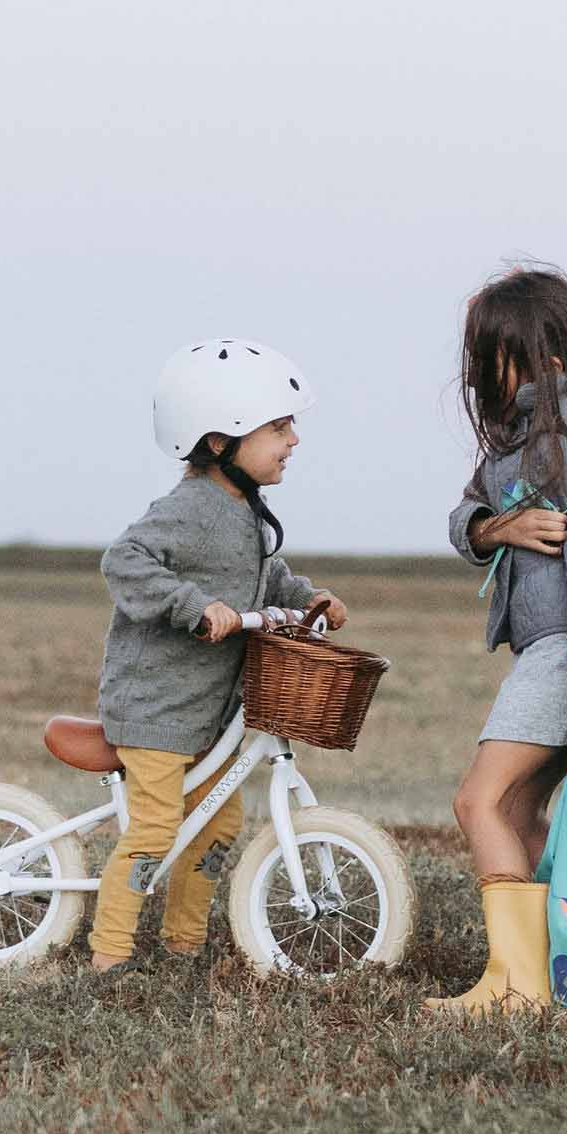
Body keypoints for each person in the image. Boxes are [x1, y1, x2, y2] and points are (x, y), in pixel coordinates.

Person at [427, 267, 567, 1013]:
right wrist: (501, 527)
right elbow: (465, 518)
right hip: (547, 650)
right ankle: (548, 969)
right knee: (518, 814)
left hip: (566, 649)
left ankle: (516, 984)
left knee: (479, 804)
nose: (478, 370)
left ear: (542, 358)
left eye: (492, 352)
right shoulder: (521, 441)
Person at [87, 337, 350, 972]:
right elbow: (123, 559)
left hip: (208, 715)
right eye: (280, 427)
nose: (294, 440)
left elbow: (264, 577)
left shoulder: (246, 513)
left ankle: (183, 943)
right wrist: (192, 606)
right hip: (156, 708)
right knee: (154, 830)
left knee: (217, 827)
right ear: (219, 441)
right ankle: (109, 955)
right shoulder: (190, 508)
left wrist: (307, 597)